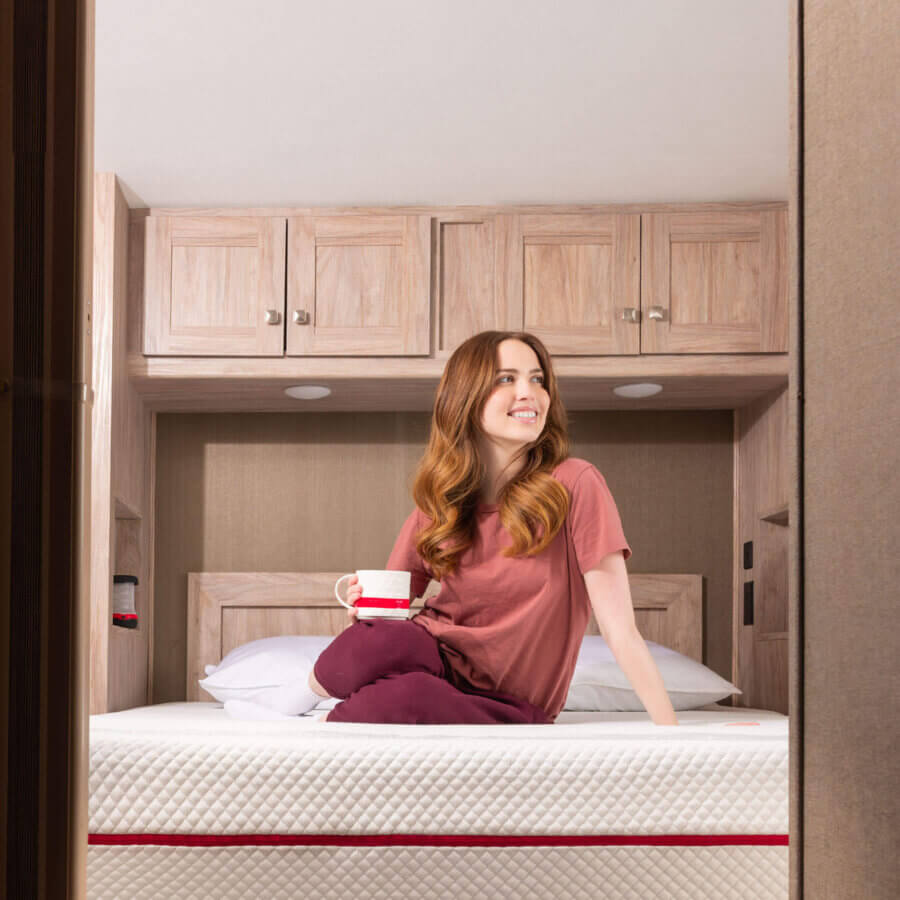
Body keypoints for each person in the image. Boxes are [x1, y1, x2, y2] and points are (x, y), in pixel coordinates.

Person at [307, 331, 678, 726]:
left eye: (537, 379)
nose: (529, 392)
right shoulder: (440, 501)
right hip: (435, 655)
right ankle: (297, 698)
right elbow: (383, 621)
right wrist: (364, 608)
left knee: (407, 697)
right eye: (507, 379)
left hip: (509, 702)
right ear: (466, 396)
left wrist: (670, 731)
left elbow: (620, 629)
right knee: (378, 642)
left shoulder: (575, 483)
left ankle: (331, 719)